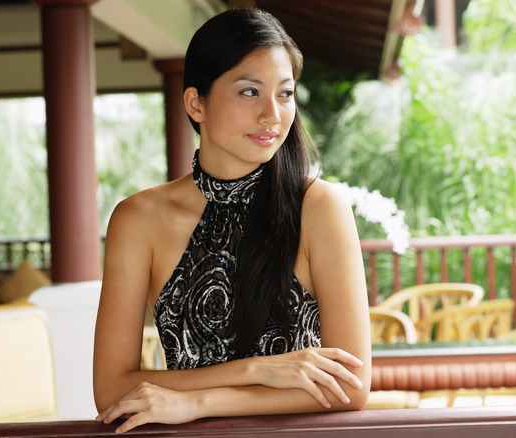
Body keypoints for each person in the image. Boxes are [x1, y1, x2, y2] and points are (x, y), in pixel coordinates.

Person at [92, 8, 371, 434]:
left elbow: (349, 387)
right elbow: (112, 389)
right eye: (248, 92)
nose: (272, 115)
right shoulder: (138, 220)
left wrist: (198, 402)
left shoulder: (320, 208)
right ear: (195, 103)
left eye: (284, 93)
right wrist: (258, 370)